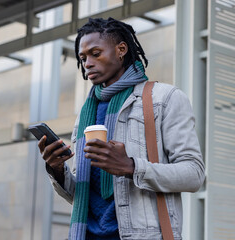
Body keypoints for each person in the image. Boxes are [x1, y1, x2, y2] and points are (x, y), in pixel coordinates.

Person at [37, 17, 205, 240]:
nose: (87, 63)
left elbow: (194, 174)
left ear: (121, 50)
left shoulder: (165, 99)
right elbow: (82, 194)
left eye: (96, 53)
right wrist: (57, 169)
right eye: (83, 57)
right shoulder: (86, 113)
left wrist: (131, 166)